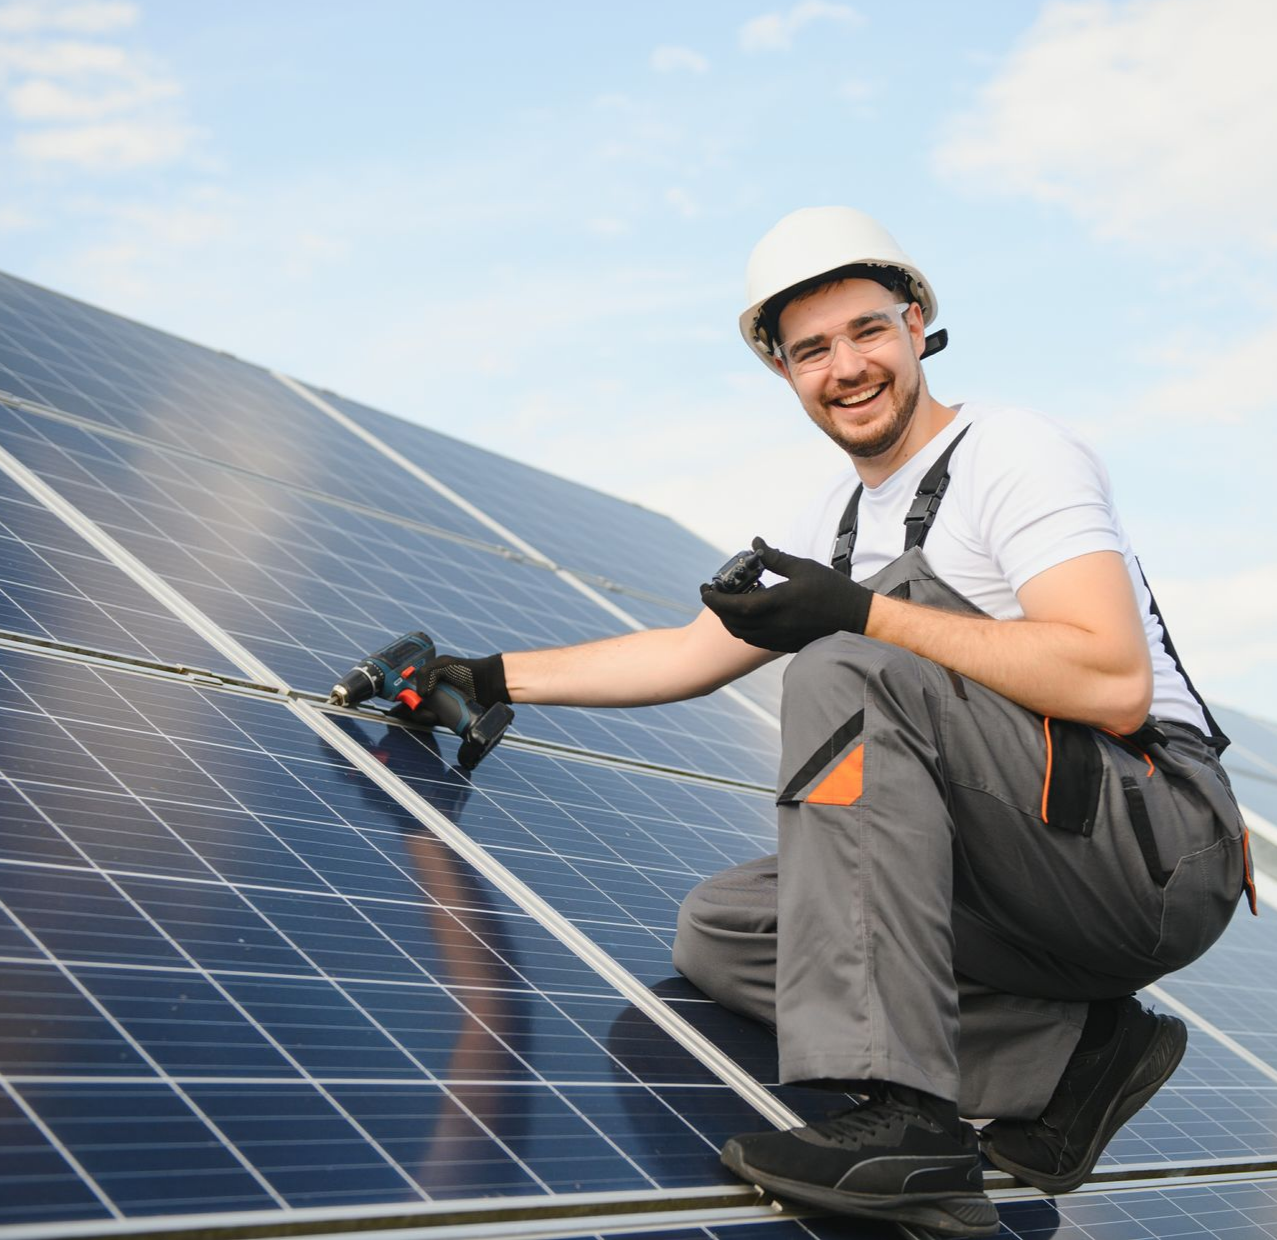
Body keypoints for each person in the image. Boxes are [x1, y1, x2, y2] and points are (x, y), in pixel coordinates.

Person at [411, 207, 1253, 1237]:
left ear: (913, 325)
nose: (845, 366)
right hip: (1028, 873)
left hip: (1152, 843)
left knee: (849, 663)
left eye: (865, 331)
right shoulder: (838, 523)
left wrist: (858, 613)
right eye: (811, 348)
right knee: (725, 931)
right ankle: (1075, 1053)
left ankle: (907, 1124)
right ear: (780, 369)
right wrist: (486, 674)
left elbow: (1113, 679)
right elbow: (687, 651)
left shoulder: (1014, 452)